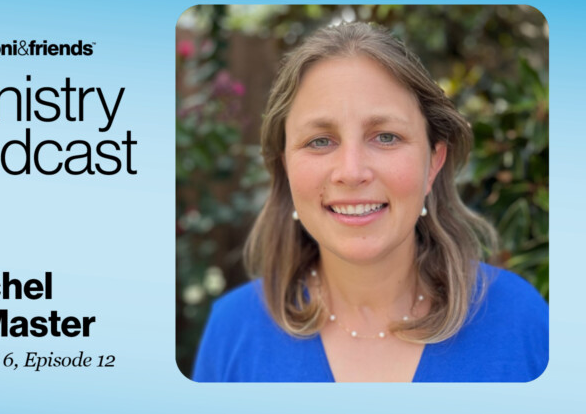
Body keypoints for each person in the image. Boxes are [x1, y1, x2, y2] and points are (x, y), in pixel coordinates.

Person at [192, 22, 548, 382]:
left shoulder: (520, 321)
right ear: (285, 167)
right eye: (319, 141)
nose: (351, 172)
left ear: (433, 164)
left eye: (386, 136)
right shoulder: (232, 332)